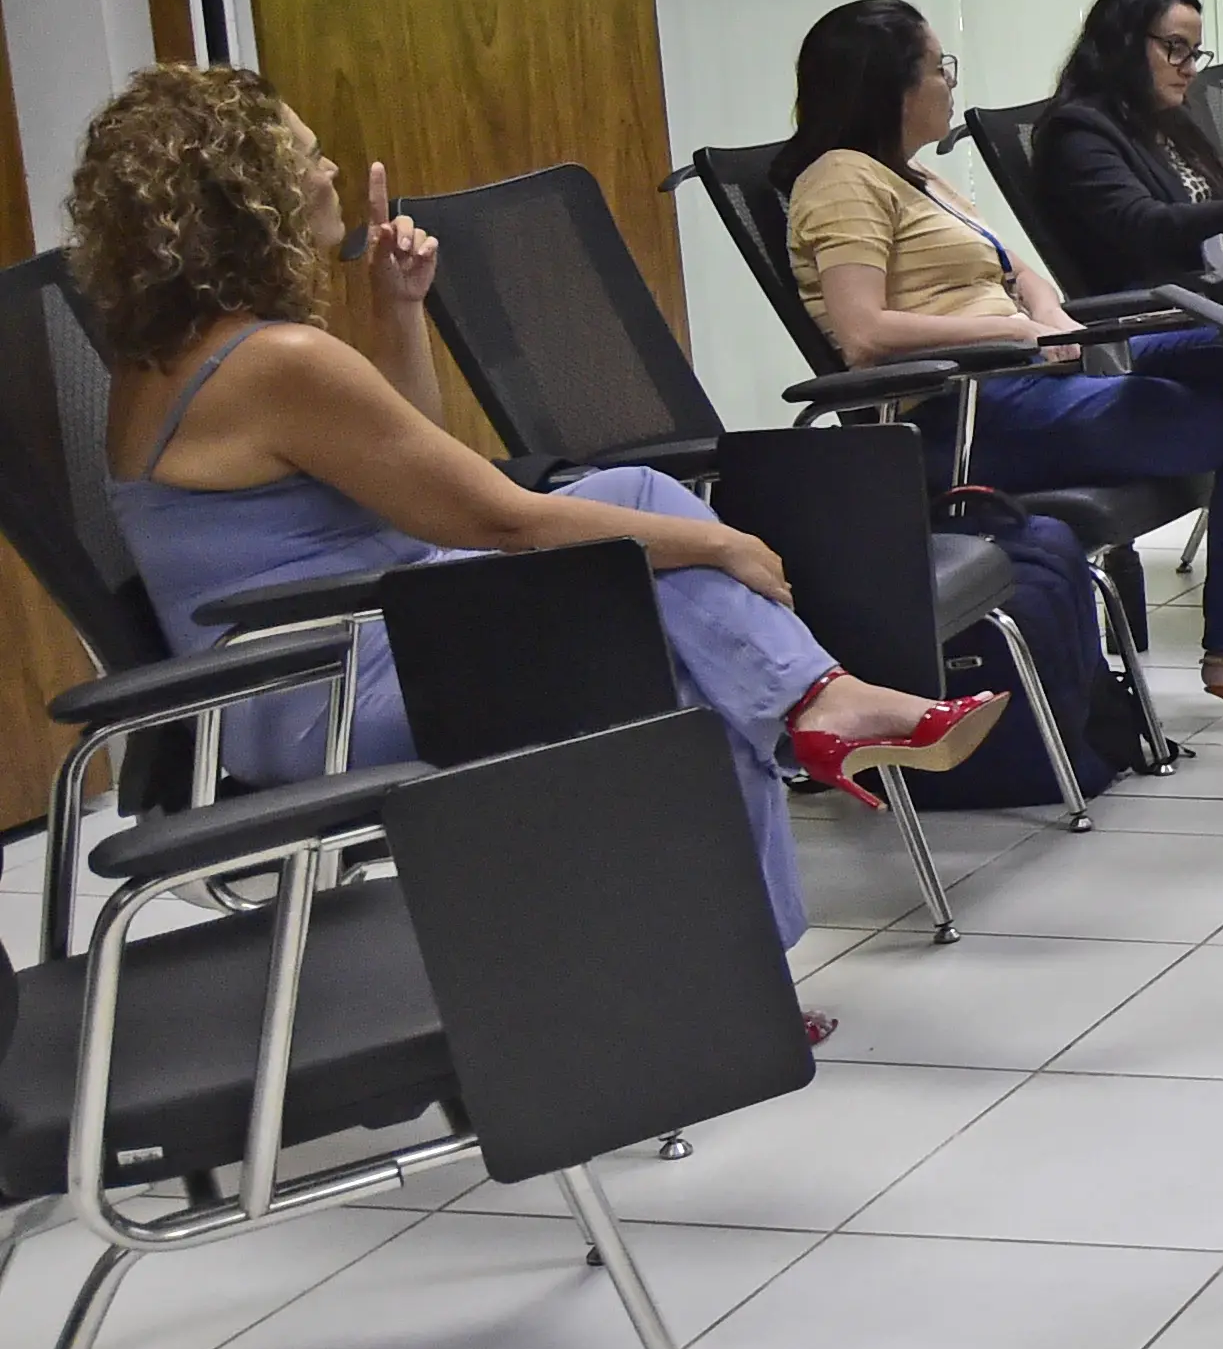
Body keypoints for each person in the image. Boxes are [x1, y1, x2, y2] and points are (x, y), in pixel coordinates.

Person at [69, 66, 1001, 966]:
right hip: (335, 689)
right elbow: (493, 519)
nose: (329, 173)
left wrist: (397, 312)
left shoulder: (174, 356)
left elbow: (415, 474)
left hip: (330, 657)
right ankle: (743, 942)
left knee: (636, 509)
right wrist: (719, 541)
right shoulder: (276, 362)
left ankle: (809, 729)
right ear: (250, 195)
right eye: (303, 156)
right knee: (678, 653)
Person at [776, 0, 1223, 714]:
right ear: (888, 83)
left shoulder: (917, 178)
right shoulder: (840, 179)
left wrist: (1046, 319)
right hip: (969, 416)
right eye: (937, 67)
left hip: (1034, 384)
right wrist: (1014, 337)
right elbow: (863, 334)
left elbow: (1019, 271)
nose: (950, 81)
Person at [1027, 0, 1223, 297]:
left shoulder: (1170, 120)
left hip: (1213, 296)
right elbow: (1142, 226)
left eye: (1193, 52)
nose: (1190, 68)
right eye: (1175, 47)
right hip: (1154, 313)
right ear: (1122, 43)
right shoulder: (1077, 131)